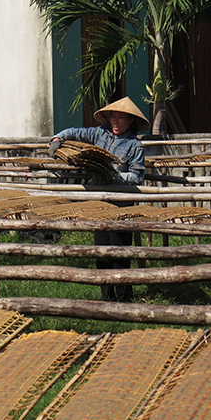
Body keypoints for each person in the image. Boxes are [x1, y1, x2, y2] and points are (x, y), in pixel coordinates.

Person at [48, 97, 149, 302]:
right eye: (113, 117)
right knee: (101, 250)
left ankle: (124, 298)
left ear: (130, 121)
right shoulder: (98, 134)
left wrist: (113, 173)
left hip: (120, 203)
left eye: (120, 118)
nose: (116, 122)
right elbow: (75, 132)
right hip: (98, 203)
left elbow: (137, 176)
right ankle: (107, 298)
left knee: (119, 251)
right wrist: (57, 139)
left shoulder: (134, 145)